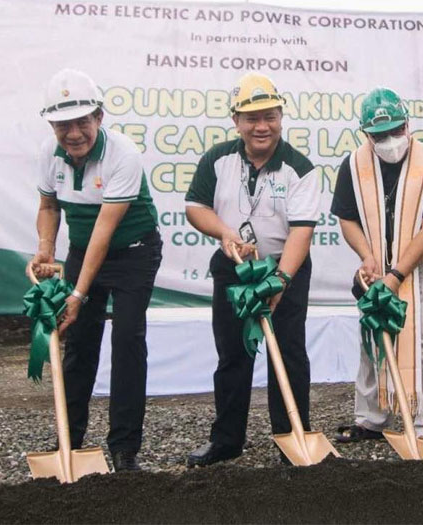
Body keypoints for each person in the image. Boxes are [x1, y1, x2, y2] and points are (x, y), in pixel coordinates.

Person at [185, 73, 320, 466]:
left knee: (289, 352)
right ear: (236, 121)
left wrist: (280, 279)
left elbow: (302, 231)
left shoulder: (301, 168)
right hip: (235, 271)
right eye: (252, 118)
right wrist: (226, 234)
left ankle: (292, 437)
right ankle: (226, 441)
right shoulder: (218, 159)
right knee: (232, 354)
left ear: (281, 117)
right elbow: (195, 206)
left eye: (270, 116)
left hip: (285, 268)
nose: (262, 126)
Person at [30, 68, 162, 472]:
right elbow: (50, 207)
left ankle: (125, 450)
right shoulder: (49, 157)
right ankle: (70, 441)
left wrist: (77, 294)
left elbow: (105, 231)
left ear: (99, 118)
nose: (73, 134)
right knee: (79, 344)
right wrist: (45, 250)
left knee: (126, 342)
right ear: (53, 125)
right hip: (82, 250)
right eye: (63, 125)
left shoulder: (123, 154)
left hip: (132, 252)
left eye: (82, 122)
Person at [330, 87, 423, 445]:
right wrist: (367, 256)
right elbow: (347, 218)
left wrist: (397, 274)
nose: (389, 141)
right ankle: (371, 418)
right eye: (379, 135)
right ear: (366, 134)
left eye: (396, 131)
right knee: (373, 329)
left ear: (408, 124)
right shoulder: (354, 166)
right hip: (377, 257)